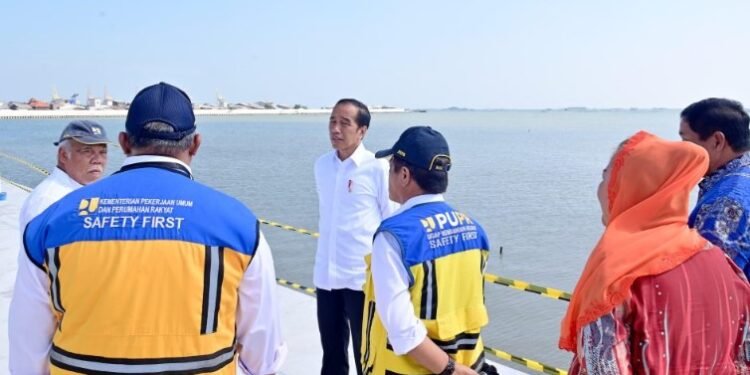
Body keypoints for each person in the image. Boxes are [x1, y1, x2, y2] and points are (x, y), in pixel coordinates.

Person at [8, 82, 286, 374]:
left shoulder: (51, 223)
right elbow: (264, 355)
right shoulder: (238, 226)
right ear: (195, 144)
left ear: (125, 142)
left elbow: (27, 350)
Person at [560, 131, 750, 374]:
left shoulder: (616, 274)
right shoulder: (723, 263)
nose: (599, 189)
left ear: (629, 187)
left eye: (606, 177)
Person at [362, 126, 497, 375]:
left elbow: (403, 331)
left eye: (390, 165)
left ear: (404, 175)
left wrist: (452, 370)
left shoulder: (394, 238)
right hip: (471, 364)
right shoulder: (475, 231)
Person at [313, 98, 396, 375]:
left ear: (362, 131)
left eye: (344, 123)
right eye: (332, 121)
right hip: (326, 277)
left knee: (367, 358)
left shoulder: (377, 168)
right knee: (332, 356)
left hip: (362, 281)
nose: (335, 129)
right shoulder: (321, 166)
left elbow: (391, 222)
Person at [678, 98, 750, 278]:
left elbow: (708, 281)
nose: (680, 150)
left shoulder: (725, 204)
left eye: (686, 140)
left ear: (717, 141)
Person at [18, 120, 109, 231]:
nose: (98, 160)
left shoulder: (84, 189)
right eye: (87, 151)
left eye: (103, 152)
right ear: (63, 155)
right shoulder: (49, 201)